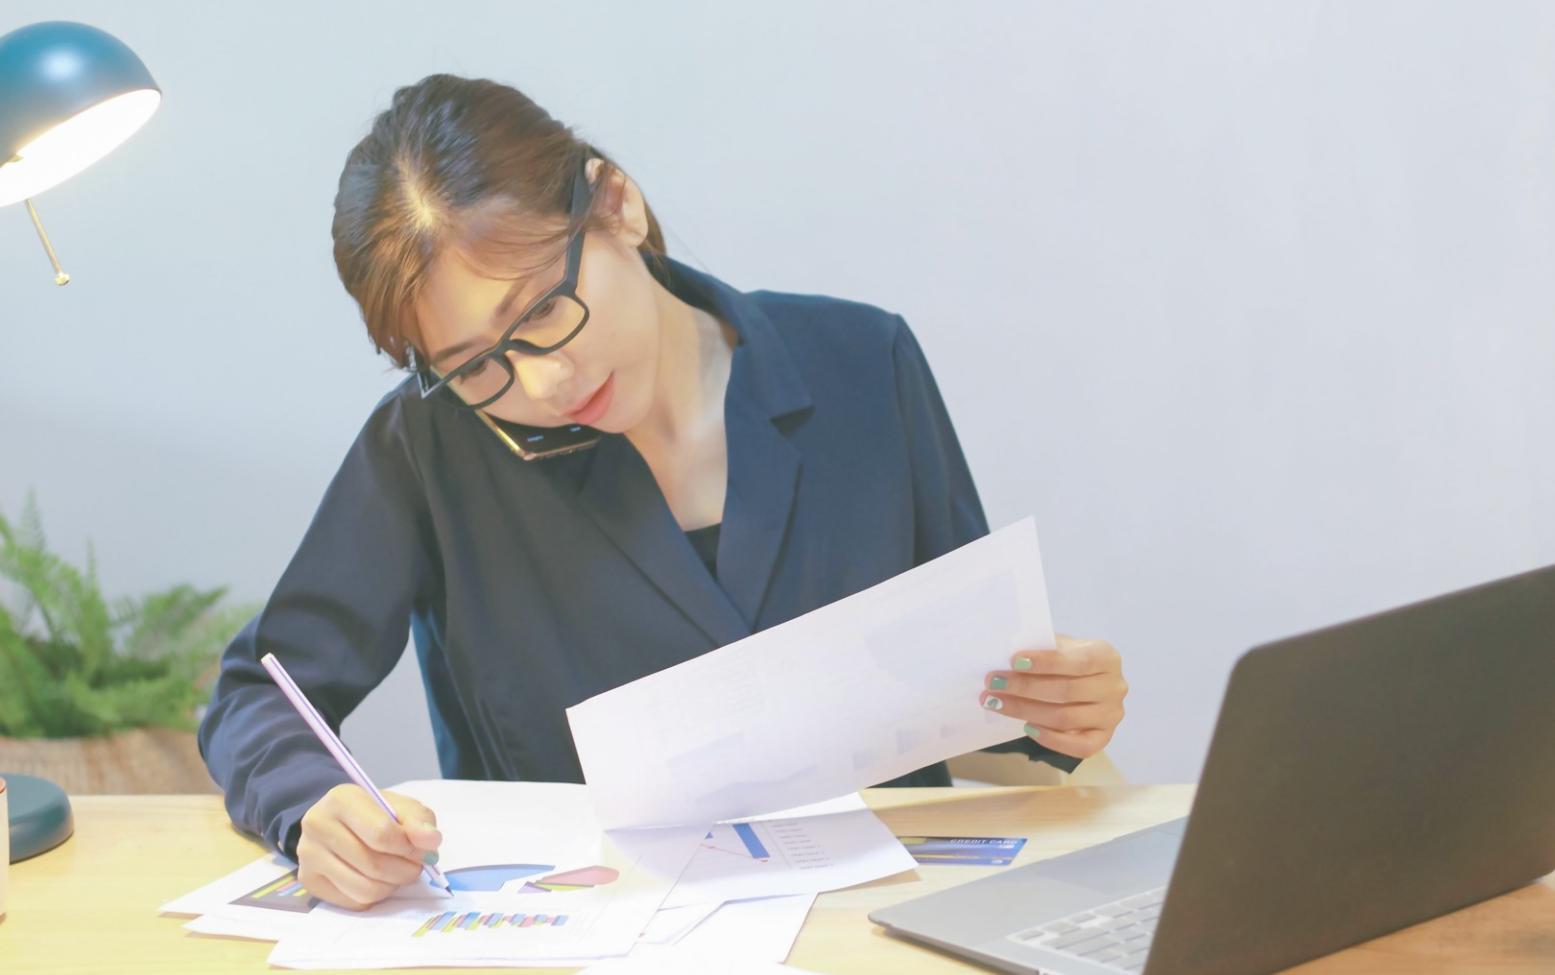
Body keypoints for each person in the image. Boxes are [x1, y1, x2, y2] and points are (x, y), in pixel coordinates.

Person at [199, 74, 1130, 911]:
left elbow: (973, 689)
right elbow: (257, 693)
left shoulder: (861, 363)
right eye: (477, 365)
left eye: (541, 313)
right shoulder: (434, 444)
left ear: (617, 206)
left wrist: (1059, 709)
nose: (542, 384)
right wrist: (312, 808)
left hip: (880, 921)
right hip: (594, 934)